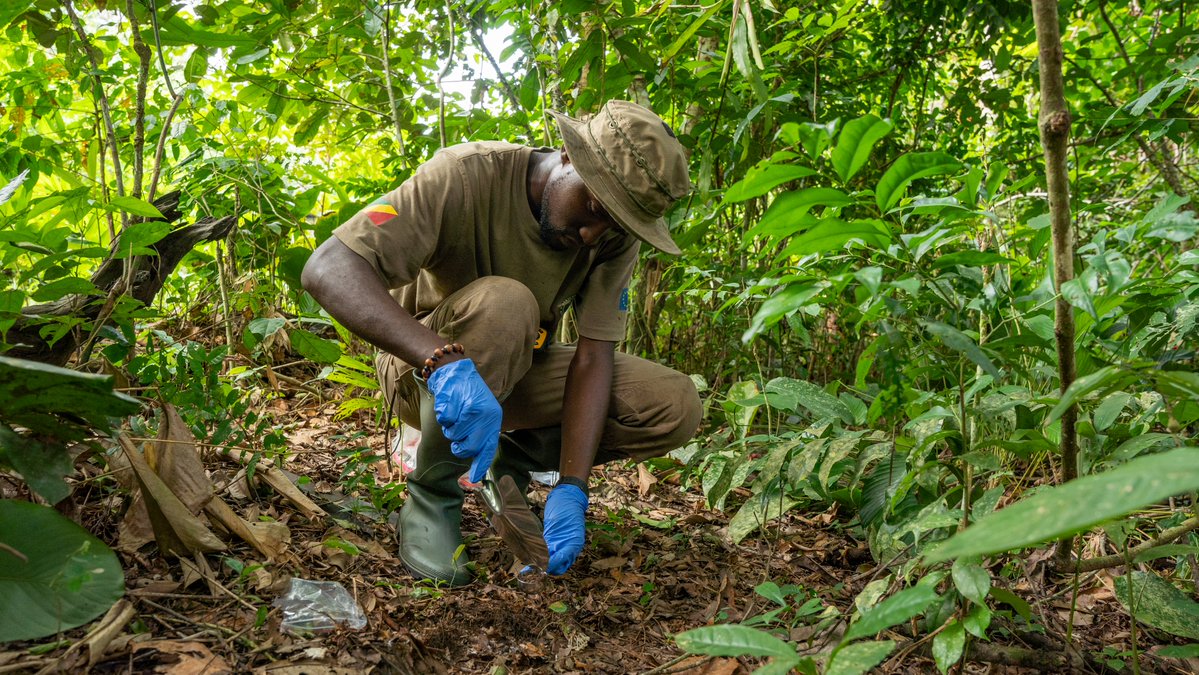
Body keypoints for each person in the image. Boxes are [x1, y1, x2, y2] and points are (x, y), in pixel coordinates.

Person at [301, 100, 702, 586]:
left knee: (673, 403)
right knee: (508, 303)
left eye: (612, 226)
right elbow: (328, 269)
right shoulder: (464, 175)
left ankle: (509, 464)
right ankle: (433, 495)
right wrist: (440, 362)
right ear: (569, 155)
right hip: (423, 375)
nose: (591, 234)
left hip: (517, 374)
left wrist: (573, 484)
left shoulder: (612, 233)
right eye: (595, 208)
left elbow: (594, 355)